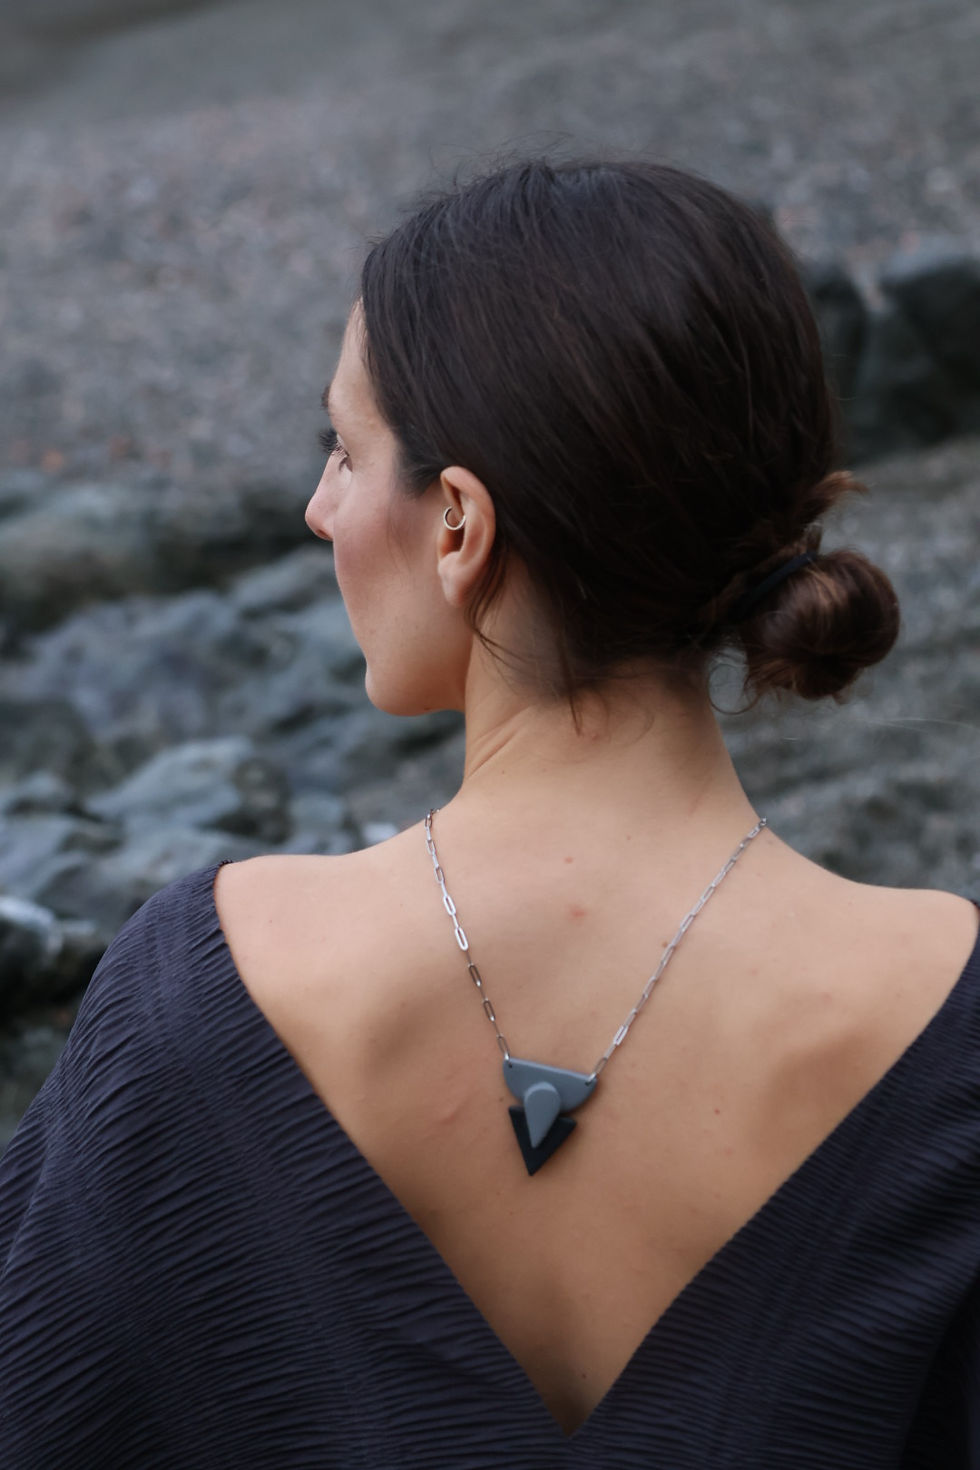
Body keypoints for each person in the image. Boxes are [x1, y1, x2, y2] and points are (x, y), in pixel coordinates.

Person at [1, 158, 978, 1469]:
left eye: (344, 451)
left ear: (459, 524)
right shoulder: (944, 1015)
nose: (318, 509)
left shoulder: (202, 990)